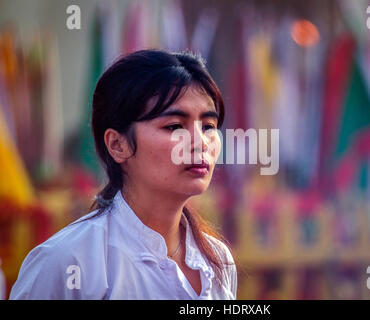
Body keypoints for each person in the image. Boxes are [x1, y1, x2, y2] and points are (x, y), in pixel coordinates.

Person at [10, 49, 237, 299]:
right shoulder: (66, 263)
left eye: (208, 126)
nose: (200, 142)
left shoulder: (217, 262)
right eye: (174, 126)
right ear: (118, 145)